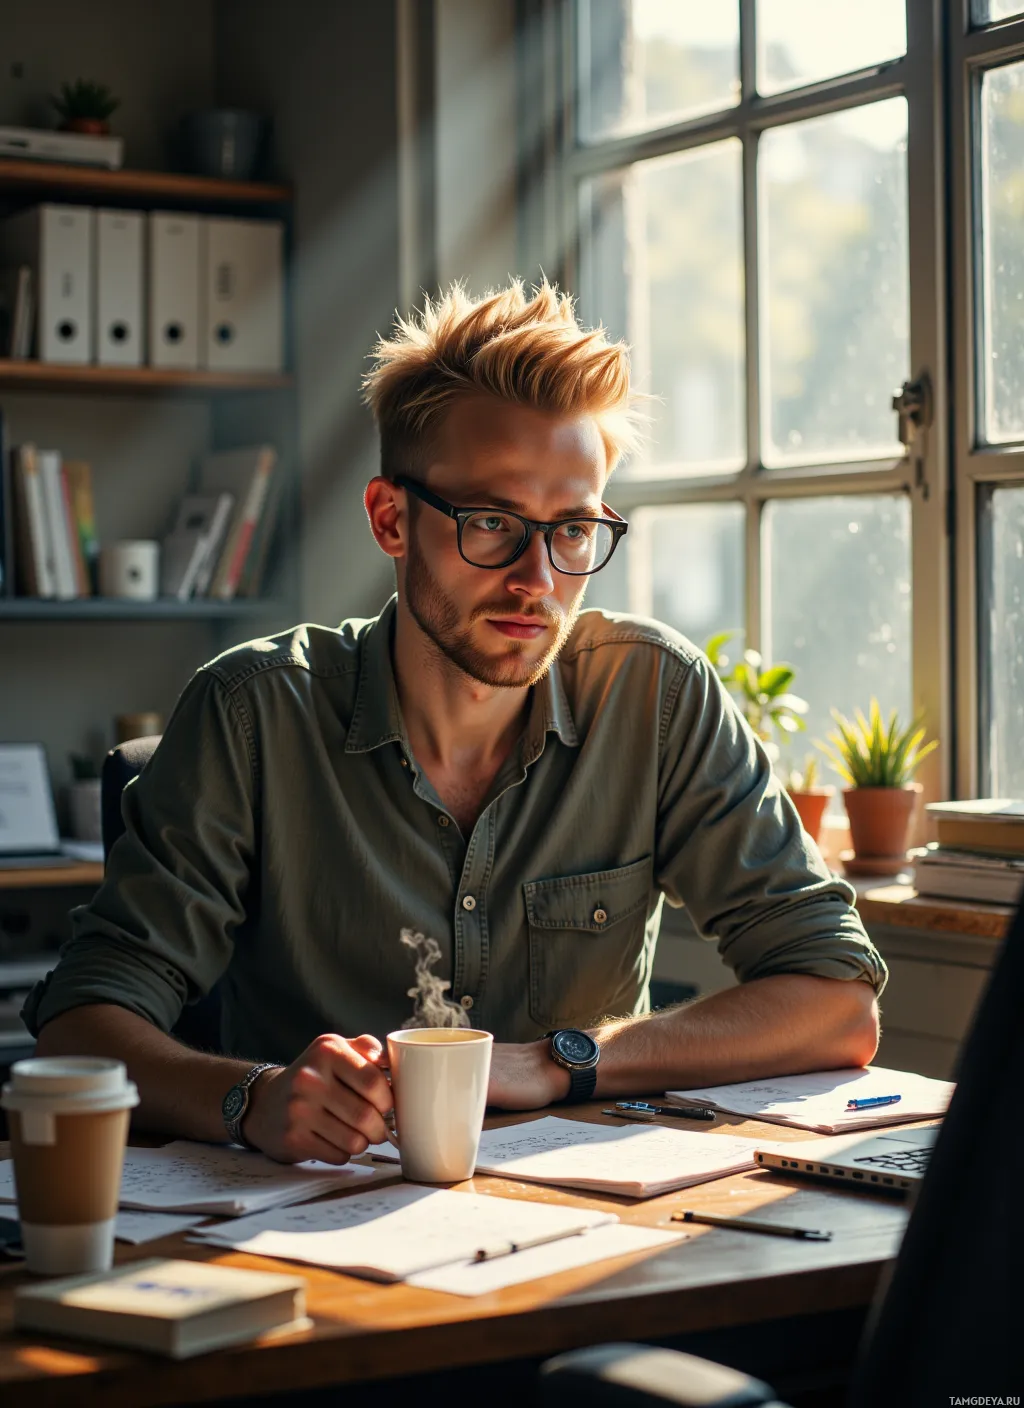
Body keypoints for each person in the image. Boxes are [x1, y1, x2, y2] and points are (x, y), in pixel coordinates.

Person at [28, 280, 886, 1165]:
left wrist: (559, 1063)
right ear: (390, 519)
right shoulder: (253, 713)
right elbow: (81, 1027)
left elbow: (836, 1000)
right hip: (305, 1225)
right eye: (491, 523)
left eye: (573, 530)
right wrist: (250, 1099)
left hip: (586, 1226)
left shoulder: (656, 697)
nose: (538, 580)